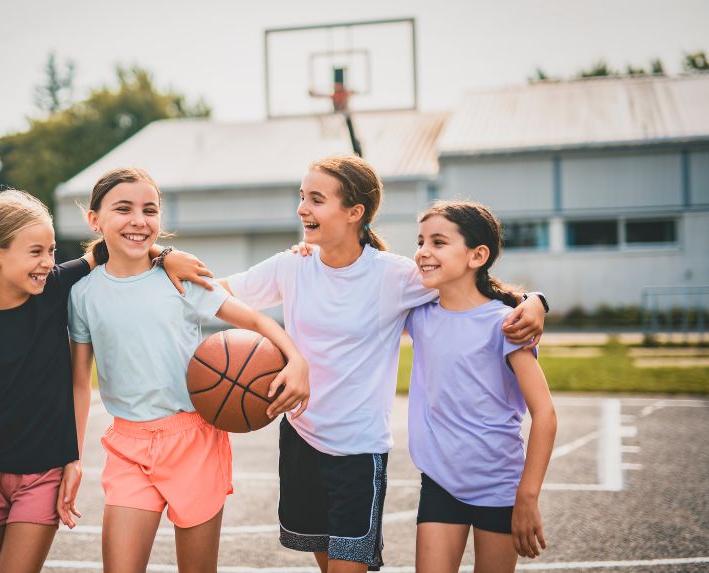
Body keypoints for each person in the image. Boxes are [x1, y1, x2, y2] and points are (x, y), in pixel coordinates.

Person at [218, 155, 547, 572]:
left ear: (355, 212)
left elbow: (472, 288)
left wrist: (535, 301)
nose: (302, 208)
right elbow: (216, 293)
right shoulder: (293, 265)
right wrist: (165, 257)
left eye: (316, 199)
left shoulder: (395, 277)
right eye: (302, 197)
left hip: (358, 450)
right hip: (301, 437)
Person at [0, 189, 212, 573]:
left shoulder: (56, 288)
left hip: (42, 475)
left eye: (50, 251)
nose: (47, 262)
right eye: (35, 253)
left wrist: (165, 255)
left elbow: (116, 244)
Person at [64, 167, 309, 573]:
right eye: (123, 209)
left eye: (150, 209)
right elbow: (78, 384)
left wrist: (295, 360)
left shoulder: (182, 279)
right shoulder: (83, 294)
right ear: (95, 220)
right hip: (129, 445)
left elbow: (257, 322)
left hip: (194, 438)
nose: (139, 220)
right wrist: (71, 457)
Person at [407, 200, 557, 573]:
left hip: (499, 485)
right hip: (440, 481)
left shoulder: (505, 324)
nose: (424, 252)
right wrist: (310, 254)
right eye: (421, 241)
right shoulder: (418, 314)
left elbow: (546, 415)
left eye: (438, 242)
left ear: (477, 255)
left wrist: (527, 496)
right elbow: (363, 270)